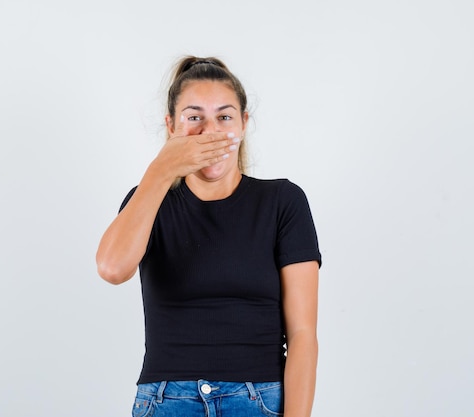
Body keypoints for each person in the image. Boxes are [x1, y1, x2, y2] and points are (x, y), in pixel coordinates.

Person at [96, 56, 321, 417]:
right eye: (194, 117)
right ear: (171, 125)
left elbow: (303, 336)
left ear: (244, 123)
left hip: (258, 400)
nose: (210, 130)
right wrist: (161, 170)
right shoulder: (148, 201)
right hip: (166, 400)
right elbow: (111, 268)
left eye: (225, 117)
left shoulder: (283, 201)